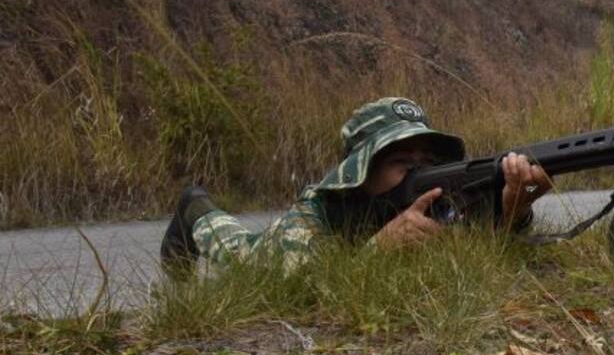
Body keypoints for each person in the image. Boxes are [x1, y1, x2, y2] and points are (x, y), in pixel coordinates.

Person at [160, 97, 551, 274]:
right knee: (234, 251)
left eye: (427, 163)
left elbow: (481, 247)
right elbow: (299, 291)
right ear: (362, 171)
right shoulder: (316, 216)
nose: (417, 173)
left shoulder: (432, 203)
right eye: (401, 162)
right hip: (270, 255)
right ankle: (194, 208)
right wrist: (377, 252)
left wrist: (515, 209)